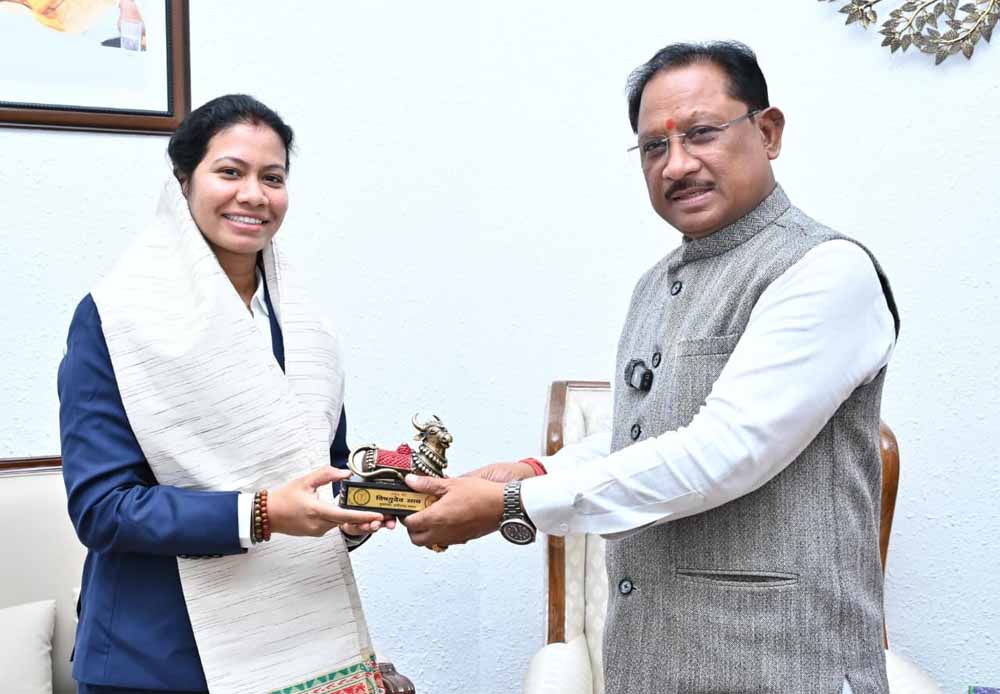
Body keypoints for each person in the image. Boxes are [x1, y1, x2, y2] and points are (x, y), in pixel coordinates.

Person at [402, 41, 899, 694]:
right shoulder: (654, 285)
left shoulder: (826, 270)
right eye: (654, 147)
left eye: (702, 133)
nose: (678, 164)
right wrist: (534, 472)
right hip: (651, 663)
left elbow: (724, 452)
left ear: (768, 132)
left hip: (783, 668)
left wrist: (513, 504)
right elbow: (643, 436)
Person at [59, 94, 393, 694]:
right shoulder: (117, 318)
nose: (254, 195)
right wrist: (261, 514)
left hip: (299, 643)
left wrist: (365, 505)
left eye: (273, 178)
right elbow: (103, 509)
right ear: (183, 182)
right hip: (154, 659)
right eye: (231, 172)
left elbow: (320, 472)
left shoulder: (306, 329)